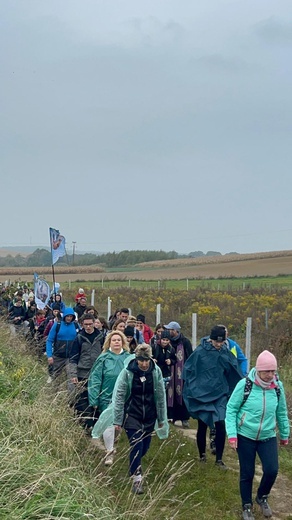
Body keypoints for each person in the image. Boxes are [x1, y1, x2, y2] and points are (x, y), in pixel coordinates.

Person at [226, 350, 290, 520]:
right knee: (247, 472)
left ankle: (262, 497)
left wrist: (284, 434)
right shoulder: (245, 385)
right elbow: (231, 409)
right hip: (245, 435)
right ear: (258, 370)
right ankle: (246, 506)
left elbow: (281, 411)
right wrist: (232, 435)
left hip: (268, 436)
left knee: (272, 470)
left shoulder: (278, 387)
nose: (270, 375)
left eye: (273, 371)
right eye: (267, 371)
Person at [99, 344, 168, 494]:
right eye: (141, 360)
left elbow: (161, 396)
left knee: (144, 447)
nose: (144, 364)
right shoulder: (127, 373)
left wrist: (162, 418)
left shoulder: (155, 372)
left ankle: (133, 465)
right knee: (136, 444)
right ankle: (137, 479)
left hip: (149, 415)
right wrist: (118, 420)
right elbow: (119, 397)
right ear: (136, 359)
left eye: (146, 360)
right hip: (132, 414)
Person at [182, 325, 242, 468]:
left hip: (220, 394)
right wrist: (193, 388)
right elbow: (188, 370)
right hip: (202, 394)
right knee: (203, 425)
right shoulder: (200, 352)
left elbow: (234, 372)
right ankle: (202, 456)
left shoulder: (226, 353)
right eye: (216, 341)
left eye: (221, 342)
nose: (218, 344)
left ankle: (219, 460)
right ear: (211, 339)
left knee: (221, 424)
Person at [88, 330, 130, 465]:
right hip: (106, 397)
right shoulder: (103, 358)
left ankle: (112, 443)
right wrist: (94, 398)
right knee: (109, 425)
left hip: (124, 398)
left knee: (117, 427)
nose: (117, 342)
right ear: (109, 343)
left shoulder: (129, 359)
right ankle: (109, 453)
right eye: (114, 340)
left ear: (123, 342)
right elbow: (95, 378)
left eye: (119, 340)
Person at [70, 314, 104, 432]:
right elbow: (73, 358)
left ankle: (96, 425)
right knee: (83, 398)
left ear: (94, 323)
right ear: (82, 324)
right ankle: (86, 424)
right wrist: (73, 375)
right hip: (82, 372)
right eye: (86, 324)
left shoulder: (101, 337)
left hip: (98, 373)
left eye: (90, 324)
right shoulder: (79, 338)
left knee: (96, 398)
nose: (88, 327)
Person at [164, 321, 193, 428]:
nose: (168, 331)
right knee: (170, 394)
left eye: (170, 329)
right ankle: (172, 416)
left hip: (182, 374)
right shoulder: (168, 342)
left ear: (176, 331)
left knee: (183, 395)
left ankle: (184, 418)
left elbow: (190, 357)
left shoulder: (185, 342)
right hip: (170, 372)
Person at [45, 307, 79, 392]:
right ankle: (53, 396)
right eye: (68, 316)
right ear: (64, 316)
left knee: (71, 379)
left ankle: (71, 400)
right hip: (58, 356)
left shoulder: (75, 326)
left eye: (71, 317)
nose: (69, 318)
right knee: (55, 378)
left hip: (71, 357)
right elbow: (49, 340)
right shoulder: (57, 325)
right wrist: (49, 355)